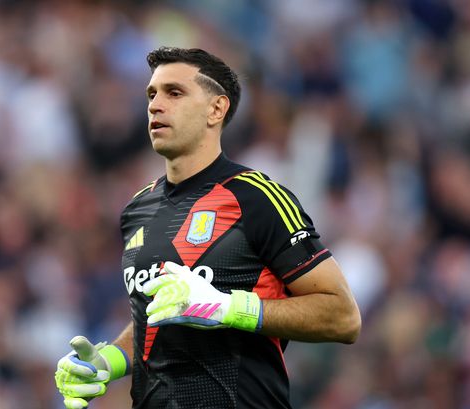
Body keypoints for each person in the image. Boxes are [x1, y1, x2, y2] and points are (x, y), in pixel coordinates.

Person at [55, 47, 361, 409]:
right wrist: (108, 362)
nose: (155, 105)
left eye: (174, 93)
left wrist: (228, 308)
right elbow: (157, 320)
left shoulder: (256, 197)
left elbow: (343, 317)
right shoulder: (138, 210)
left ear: (216, 109)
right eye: (152, 94)